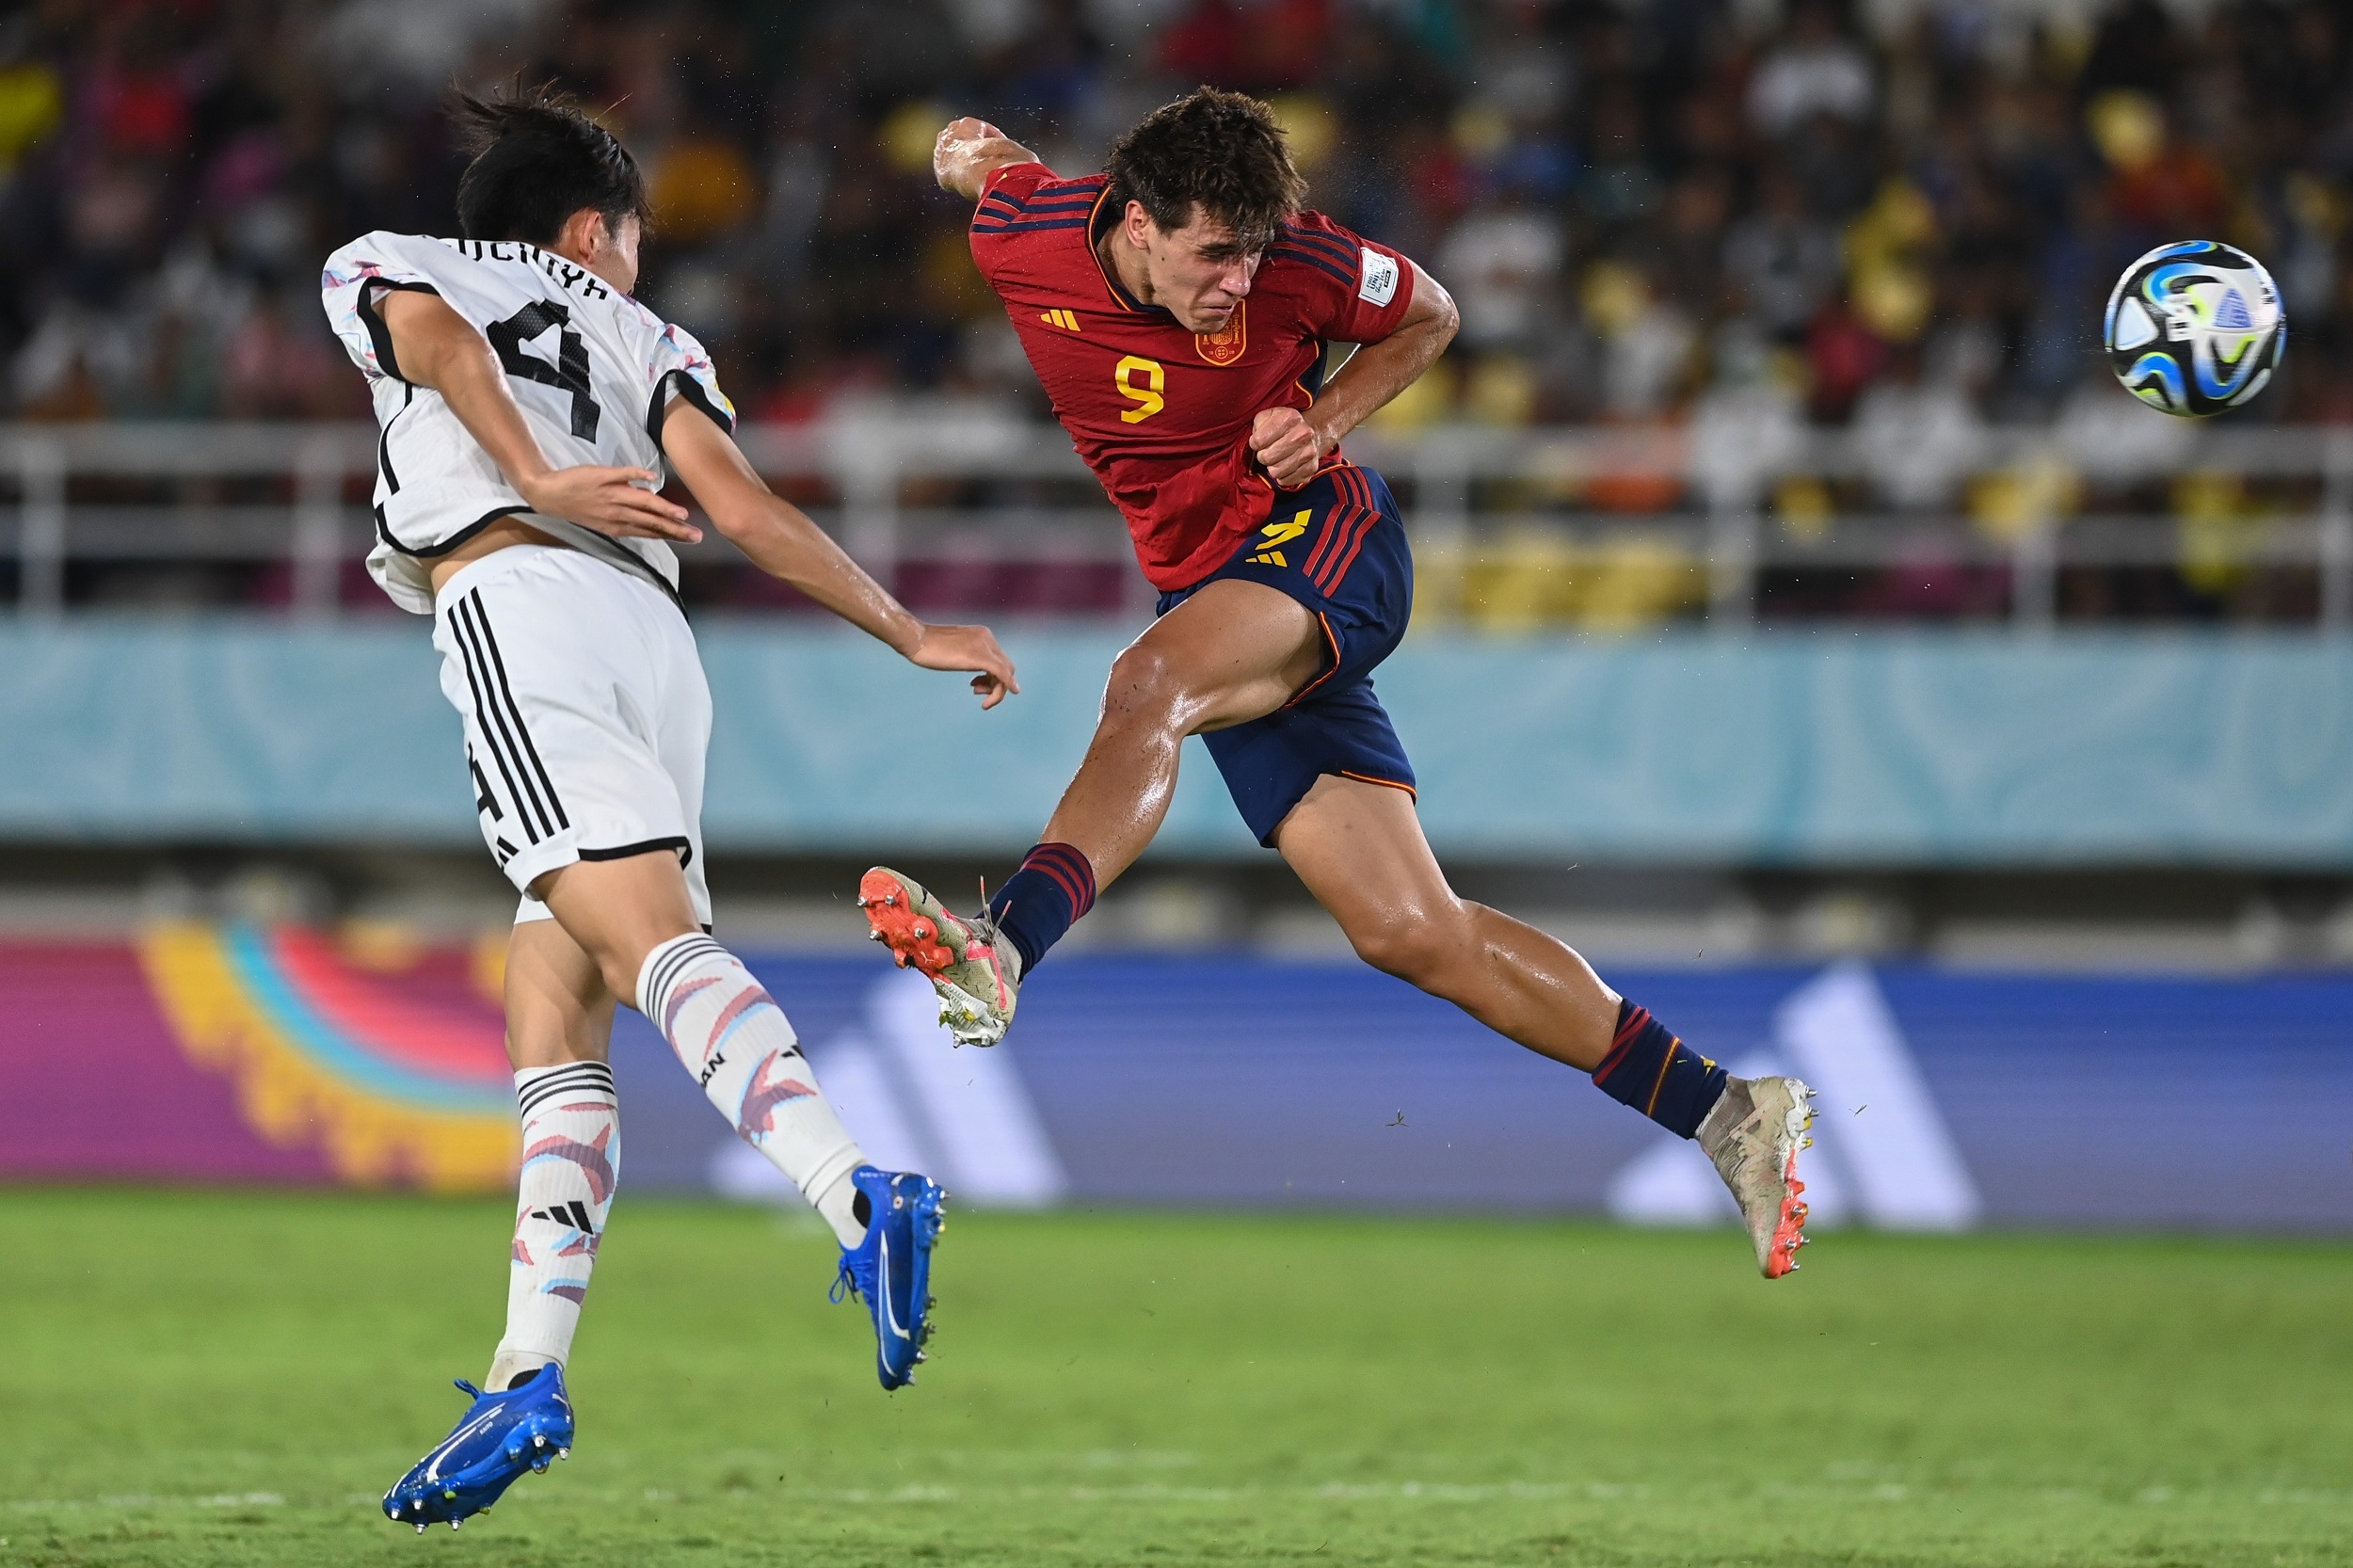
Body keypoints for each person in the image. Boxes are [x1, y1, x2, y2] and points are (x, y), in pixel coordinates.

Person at [860, 88, 1815, 1281]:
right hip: (1216, 592)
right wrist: (960, 148)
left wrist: (1325, 413)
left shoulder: (1298, 266)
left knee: (1149, 682)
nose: (1237, 283)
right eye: (1214, 255)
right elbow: (990, 162)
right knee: (1411, 931)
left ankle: (1005, 945)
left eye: (1252, 255)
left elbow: (1431, 314)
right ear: (1137, 221)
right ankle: (1728, 1113)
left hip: (1325, 541)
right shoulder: (1028, 233)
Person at [320, 85, 1017, 1532]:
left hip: (516, 596)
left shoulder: (389, 257)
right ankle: (528, 1371)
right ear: (590, 229)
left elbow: (436, 344)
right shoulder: (652, 338)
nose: (635, 257)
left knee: (635, 949)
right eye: (632, 233)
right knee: (554, 1005)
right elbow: (747, 509)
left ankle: (854, 1188)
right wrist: (905, 628)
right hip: (653, 645)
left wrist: (528, 471)